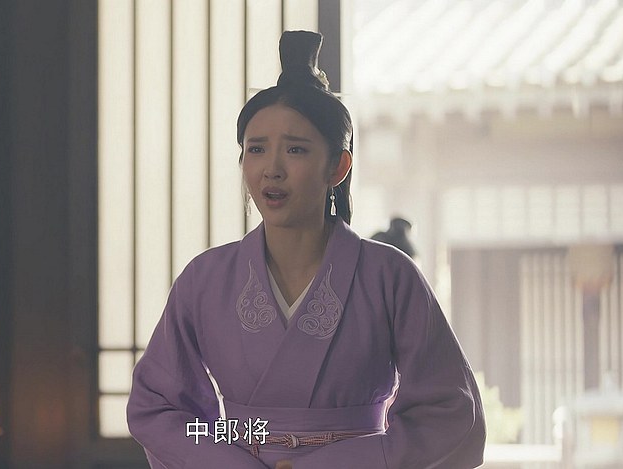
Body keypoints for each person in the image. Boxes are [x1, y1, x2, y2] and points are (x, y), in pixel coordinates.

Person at [127, 30, 485, 469]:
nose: (271, 169)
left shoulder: (390, 275)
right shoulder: (205, 279)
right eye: (256, 149)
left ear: (338, 166)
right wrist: (229, 458)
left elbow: (450, 413)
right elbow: (161, 409)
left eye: (295, 149)